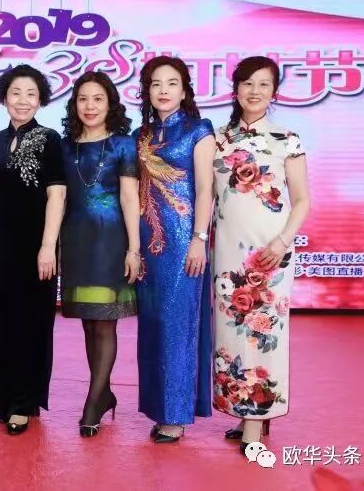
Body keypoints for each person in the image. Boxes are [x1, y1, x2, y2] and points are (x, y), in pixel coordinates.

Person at [211, 56, 310, 454]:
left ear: (274, 92)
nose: (255, 91)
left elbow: (301, 200)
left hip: (270, 253)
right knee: (232, 334)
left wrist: (283, 241)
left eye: (264, 84)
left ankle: (255, 420)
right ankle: (245, 409)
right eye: (248, 83)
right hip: (227, 254)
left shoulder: (287, 139)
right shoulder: (217, 138)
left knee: (263, 331)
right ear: (235, 89)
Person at [0, 64, 66, 435]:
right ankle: (6, 400)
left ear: (40, 99)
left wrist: (48, 246)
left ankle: (25, 402)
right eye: (16, 93)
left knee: (33, 323)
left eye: (31, 94)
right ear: (4, 97)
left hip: (35, 247)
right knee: (0, 323)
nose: (23, 100)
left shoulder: (50, 139)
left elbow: (57, 194)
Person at [134, 55, 215, 443]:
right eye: (156, 84)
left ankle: (176, 414)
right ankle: (159, 407)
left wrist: (199, 239)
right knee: (152, 324)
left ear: (184, 91)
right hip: (149, 242)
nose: (163, 90)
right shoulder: (143, 134)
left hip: (184, 243)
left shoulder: (199, 130)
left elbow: (205, 189)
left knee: (177, 324)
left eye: (171, 83)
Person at [59, 71, 141, 437]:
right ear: (74, 104)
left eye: (97, 99)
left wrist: (134, 249)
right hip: (75, 241)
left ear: (110, 104)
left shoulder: (124, 144)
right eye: (83, 99)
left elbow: (129, 198)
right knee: (89, 322)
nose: (90, 106)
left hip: (111, 241)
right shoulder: (65, 146)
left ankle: (93, 402)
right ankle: (104, 393)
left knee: (105, 322)